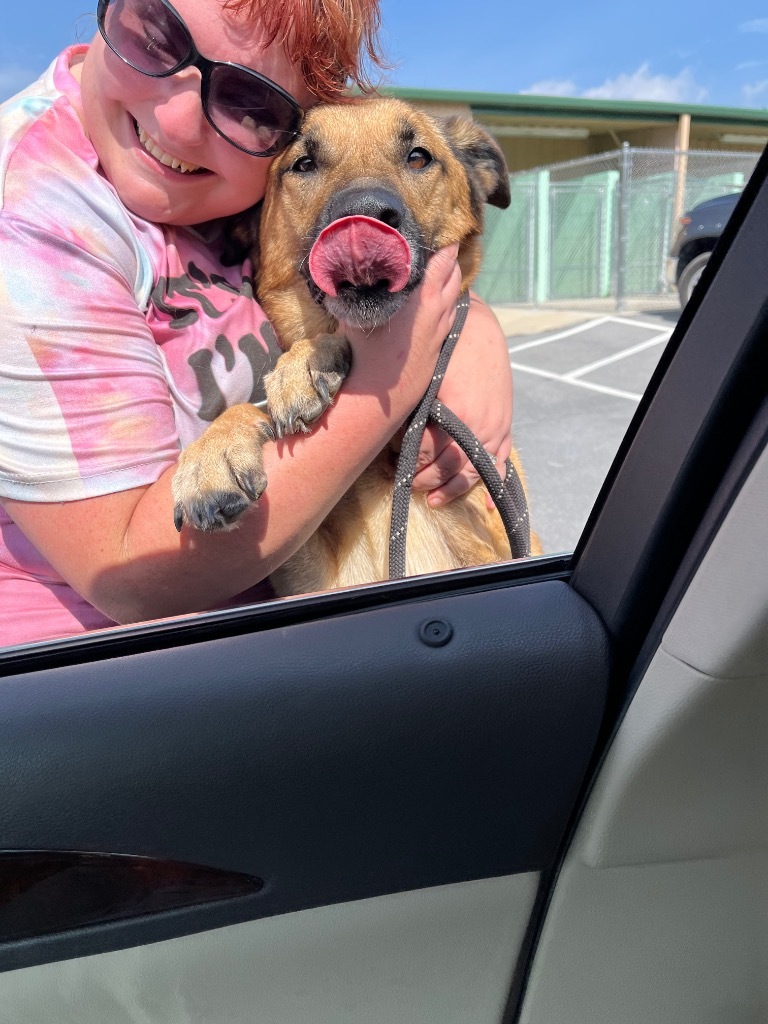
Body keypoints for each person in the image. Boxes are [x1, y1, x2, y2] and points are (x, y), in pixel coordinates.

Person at [0, 0, 514, 647]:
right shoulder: (27, 216)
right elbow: (129, 576)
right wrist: (392, 374)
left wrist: (465, 321)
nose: (181, 122)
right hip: (108, 672)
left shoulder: (219, 188)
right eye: (156, 36)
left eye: (250, 100)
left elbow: (432, 239)